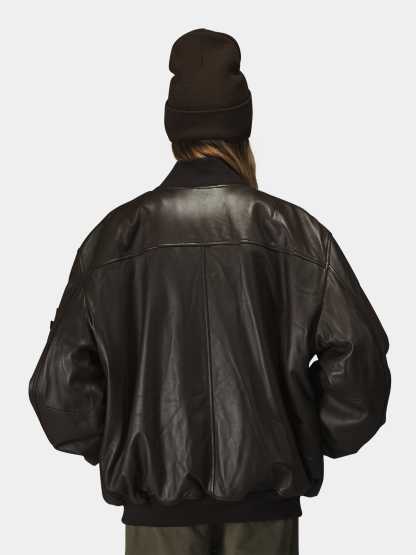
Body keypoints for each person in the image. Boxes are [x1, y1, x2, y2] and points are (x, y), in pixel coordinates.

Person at [28, 28, 391, 555]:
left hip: (157, 522)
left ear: (175, 132)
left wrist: (128, 442)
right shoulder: (296, 235)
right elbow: (360, 372)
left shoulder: (113, 240)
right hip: (266, 514)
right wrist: (299, 434)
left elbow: (58, 393)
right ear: (242, 128)